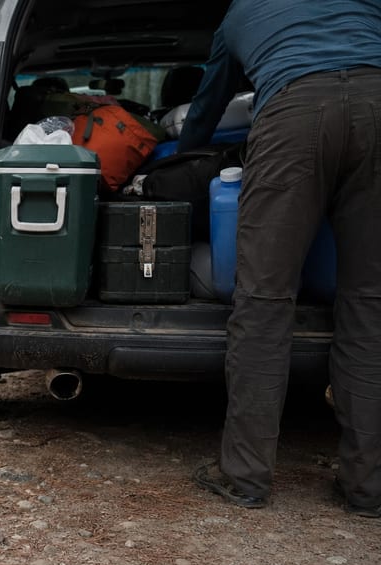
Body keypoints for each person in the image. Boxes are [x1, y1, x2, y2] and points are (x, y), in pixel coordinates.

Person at [177, 0, 381, 516]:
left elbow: (207, 105)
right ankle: (368, 487)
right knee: (371, 302)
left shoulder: (240, 13)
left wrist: (185, 151)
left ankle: (244, 477)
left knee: (264, 300)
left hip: (293, 115)